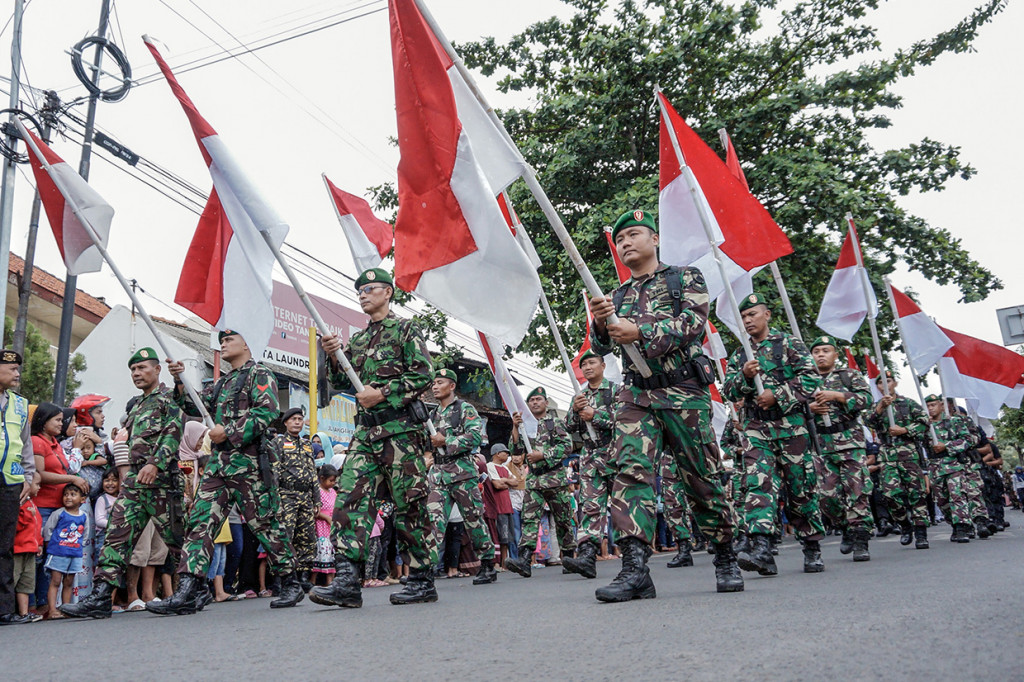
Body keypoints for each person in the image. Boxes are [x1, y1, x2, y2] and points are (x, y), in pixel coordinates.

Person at [589, 210, 742, 601]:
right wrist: (600, 324)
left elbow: (693, 323)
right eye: (620, 238)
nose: (626, 243)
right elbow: (603, 347)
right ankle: (635, 567)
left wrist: (640, 331)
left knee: (700, 476)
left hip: (683, 392)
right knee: (630, 473)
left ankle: (725, 555)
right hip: (637, 395)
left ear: (654, 239)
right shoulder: (618, 295)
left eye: (634, 234)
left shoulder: (683, 277)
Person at [311, 268, 437, 608]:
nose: (364, 295)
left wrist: (382, 393)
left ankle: (422, 577)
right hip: (366, 432)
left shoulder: (406, 329)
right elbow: (343, 381)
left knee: (408, 503)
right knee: (349, 501)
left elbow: (423, 375)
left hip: (400, 432)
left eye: (370, 289)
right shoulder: (360, 339)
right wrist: (334, 355)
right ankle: (348, 581)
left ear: (388, 293)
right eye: (360, 291)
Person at [153, 332, 303, 615]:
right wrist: (179, 381)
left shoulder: (259, 374)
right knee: (199, 522)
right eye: (222, 339)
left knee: (265, 524)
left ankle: (290, 580)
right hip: (219, 465)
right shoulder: (222, 382)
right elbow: (193, 406)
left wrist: (230, 431)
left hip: (249, 464)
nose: (223, 342)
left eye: (230, 338)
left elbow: (267, 412)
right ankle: (189, 587)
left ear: (247, 343)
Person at [61, 348, 190, 618]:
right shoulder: (137, 405)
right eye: (133, 370)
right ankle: (100, 597)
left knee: (178, 540)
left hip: (162, 484)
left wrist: (155, 463)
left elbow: (172, 432)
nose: (136, 373)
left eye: (142, 368)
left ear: (157, 370)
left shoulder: (169, 398)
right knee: (116, 538)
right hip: (134, 486)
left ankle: (192, 589)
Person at [724, 293, 825, 576]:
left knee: (800, 488)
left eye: (752, 314)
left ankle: (812, 546)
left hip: (791, 427)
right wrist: (743, 375)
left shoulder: (789, 344)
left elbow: (810, 379)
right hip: (756, 429)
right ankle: (762, 549)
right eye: (743, 317)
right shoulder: (740, 354)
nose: (748, 320)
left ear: (767, 314)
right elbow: (728, 392)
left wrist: (778, 394)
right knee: (759, 485)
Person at [425, 369, 496, 585]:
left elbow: (476, 436)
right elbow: (428, 444)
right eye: (434, 383)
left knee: (473, 519)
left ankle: (487, 563)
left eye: (440, 382)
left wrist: (446, 441)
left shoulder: (465, 409)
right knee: (432, 520)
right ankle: (425, 571)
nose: (435, 386)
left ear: (452, 386)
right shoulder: (432, 415)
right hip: (439, 476)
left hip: (462, 474)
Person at [807, 335, 875, 561]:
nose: (821, 355)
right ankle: (844, 524)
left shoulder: (848, 376)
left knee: (857, 490)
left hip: (849, 441)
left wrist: (838, 396)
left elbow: (866, 400)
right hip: (821, 445)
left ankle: (860, 538)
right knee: (827, 496)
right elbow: (794, 408)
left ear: (835, 354)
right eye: (817, 351)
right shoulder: (805, 380)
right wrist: (811, 408)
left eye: (826, 350)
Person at [503, 387, 578, 579]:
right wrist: (514, 427)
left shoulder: (555, 423)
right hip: (534, 480)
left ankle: (569, 557)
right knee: (529, 519)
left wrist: (543, 455)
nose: (535, 403)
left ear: (546, 403)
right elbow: (515, 450)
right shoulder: (525, 425)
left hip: (554, 478)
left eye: (538, 399)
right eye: (532, 400)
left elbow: (567, 446)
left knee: (563, 520)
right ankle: (525, 560)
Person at [562, 350, 619, 579]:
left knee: (624, 506)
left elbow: (624, 419)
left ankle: (635, 552)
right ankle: (587, 554)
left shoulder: (616, 390)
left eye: (592, 362)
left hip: (615, 456)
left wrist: (595, 415)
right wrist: (577, 411)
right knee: (590, 507)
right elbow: (568, 426)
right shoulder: (580, 395)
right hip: (589, 458)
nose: (587, 367)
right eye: (583, 364)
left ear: (603, 365)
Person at [864, 371, 931, 549]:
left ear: (895, 383)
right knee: (889, 494)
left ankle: (921, 531)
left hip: (908, 452)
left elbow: (924, 422)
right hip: (887, 454)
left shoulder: (907, 403)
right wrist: (880, 408)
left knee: (916, 493)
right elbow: (867, 422)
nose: (884, 384)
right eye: (880, 382)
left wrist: (905, 430)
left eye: (888, 380)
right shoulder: (875, 406)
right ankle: (904, 524)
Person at [0, 349, 37, 626]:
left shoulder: (20, 405)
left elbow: (25, 444)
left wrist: (28, 476)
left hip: (10, 483)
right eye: (11, 369)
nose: (17, 374)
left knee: (4, 548)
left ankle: (4, 609)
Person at [270, 407, 319, 590]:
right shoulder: (278, 443)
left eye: (300, 419)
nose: (297, 422)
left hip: (305, 496)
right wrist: (276, 499)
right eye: (294, 419)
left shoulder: (307, 444)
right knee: (285, 537)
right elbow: (274, 471)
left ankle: (303, 576)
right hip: (286, 495)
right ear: (286, 422)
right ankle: (281, 580)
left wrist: (317, 500)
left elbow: (313, 473)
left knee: (306, 537)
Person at [924, 395, 974, 542]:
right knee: (942, 500)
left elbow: (968, 439)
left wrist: (947, 446)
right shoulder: (924, 425)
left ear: (941, 405)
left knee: (957, 495)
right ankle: (953, 523)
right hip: (935, 467)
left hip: (953, 464)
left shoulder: (953, 422)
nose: (931, 408)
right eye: (928, 406)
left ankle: (962, 527)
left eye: (933, 405)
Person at [42, 483, 89, 619]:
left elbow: (85, 534)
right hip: (58, 553)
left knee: (68, 582)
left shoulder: (84, 516)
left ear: (82, 499)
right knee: (55, 581)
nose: (68, 497)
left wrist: (79, 547)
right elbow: (48, 531)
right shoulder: (59, 513)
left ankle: (66, 609)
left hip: (75, 553)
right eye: (66, 494)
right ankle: (52, 610)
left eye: (73, 494)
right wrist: (50, 548)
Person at [483, 444, 516, 570]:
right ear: (497, 454)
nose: (507, 455)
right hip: (498, 506)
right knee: (499, 535)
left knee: (507, 537)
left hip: (507, 506)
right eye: (505, 452)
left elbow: (516, 482)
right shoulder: (490, 466)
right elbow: (497, 485)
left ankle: (504, 563)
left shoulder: (504, 468)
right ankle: (497, 563)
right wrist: (507, 481)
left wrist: (504, 481)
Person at [13, 479, 42, 623]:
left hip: (31, 549)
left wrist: (40, 544)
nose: (39, 487)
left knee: (26, 582)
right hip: (18, 549)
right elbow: (14, 526)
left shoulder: (32, 504)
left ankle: (24, 613)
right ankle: (7, 611)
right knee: (13, 579)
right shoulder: (18, 502)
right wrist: (26, 516)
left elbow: (37, 527)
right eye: (36, 484)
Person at [312, 464, 338, 585]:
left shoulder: (333, 491)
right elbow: (315, 511)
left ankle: (331, 581)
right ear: (322, 478)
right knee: (322, 553)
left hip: (331, 526)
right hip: (322, 526)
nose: (333, 483)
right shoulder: (318, 491)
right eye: (330, 480)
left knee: (332, 553)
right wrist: (326, 517)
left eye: (334, 481)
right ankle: (313, 580)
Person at [505, 449, 527, 558]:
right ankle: (515, 558)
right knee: (515, 532)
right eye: (514, 455)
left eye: (518, 455)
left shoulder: (525, 468)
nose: (516, 457)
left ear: (523, 455)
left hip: (524, 502)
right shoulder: (507, 467)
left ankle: (524, 557)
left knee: (525, 531)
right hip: (512, 503)